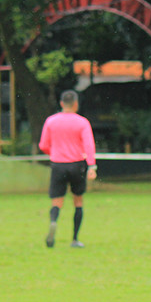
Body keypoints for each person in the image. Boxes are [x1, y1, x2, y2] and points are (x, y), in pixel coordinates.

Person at [38, 89, 96, 248]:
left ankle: (53, 221)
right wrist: (92, 165)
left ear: (61, 103)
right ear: (76, 104)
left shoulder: (51, 121)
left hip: (58, 164)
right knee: (78, 201)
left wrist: (54, 152)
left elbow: (43, 145)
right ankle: (75, 239)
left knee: (57, 201)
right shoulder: (82, 122)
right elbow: (88, 145)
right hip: (77, 164)